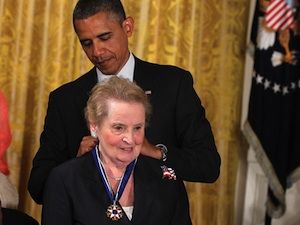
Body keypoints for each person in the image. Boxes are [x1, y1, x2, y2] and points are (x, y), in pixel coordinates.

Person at [28, 0, 221, 204]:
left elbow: (208, 166)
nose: (97, 52)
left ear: (127, 27)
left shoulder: (173, 84)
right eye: (86, 43)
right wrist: (76, 163)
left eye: (105, 37)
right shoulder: (65, 99)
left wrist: (154, 151)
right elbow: (38, 188)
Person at [41, 76, 192, 225]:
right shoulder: (65, 179)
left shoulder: (167, 179)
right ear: (94, 126)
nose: (130, 139)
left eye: (137, 128)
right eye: (119, 128)